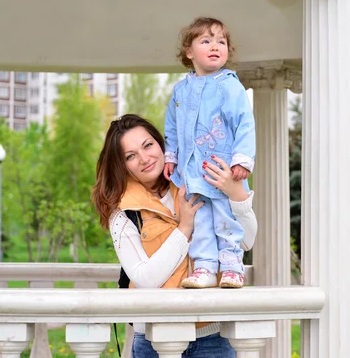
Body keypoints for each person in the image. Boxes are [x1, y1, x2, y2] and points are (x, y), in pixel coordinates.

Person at [91, 114, 257, 358]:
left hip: (213, 338)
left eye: (148, 145)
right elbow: (145, 279)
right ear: (121, 165)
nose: (144, 158)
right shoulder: (124, 212)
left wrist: (237, 195)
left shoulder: (196, 184)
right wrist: (185, 227)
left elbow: (245, 241)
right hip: (154, 341)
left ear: (161, 144)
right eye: (130, 156)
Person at [163, 17, 256, 289]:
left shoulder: (228, 84)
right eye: (206, 41)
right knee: (201, 222)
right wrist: (171, 156)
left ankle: (231, 268)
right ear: (189, 52)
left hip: (221, 170)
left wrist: (242, 159)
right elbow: (171, 125)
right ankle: (204, 268)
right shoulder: (180, 90)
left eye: (221, 42)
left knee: (227, 221)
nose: (215, 46)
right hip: (192, 172)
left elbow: (244, 123)